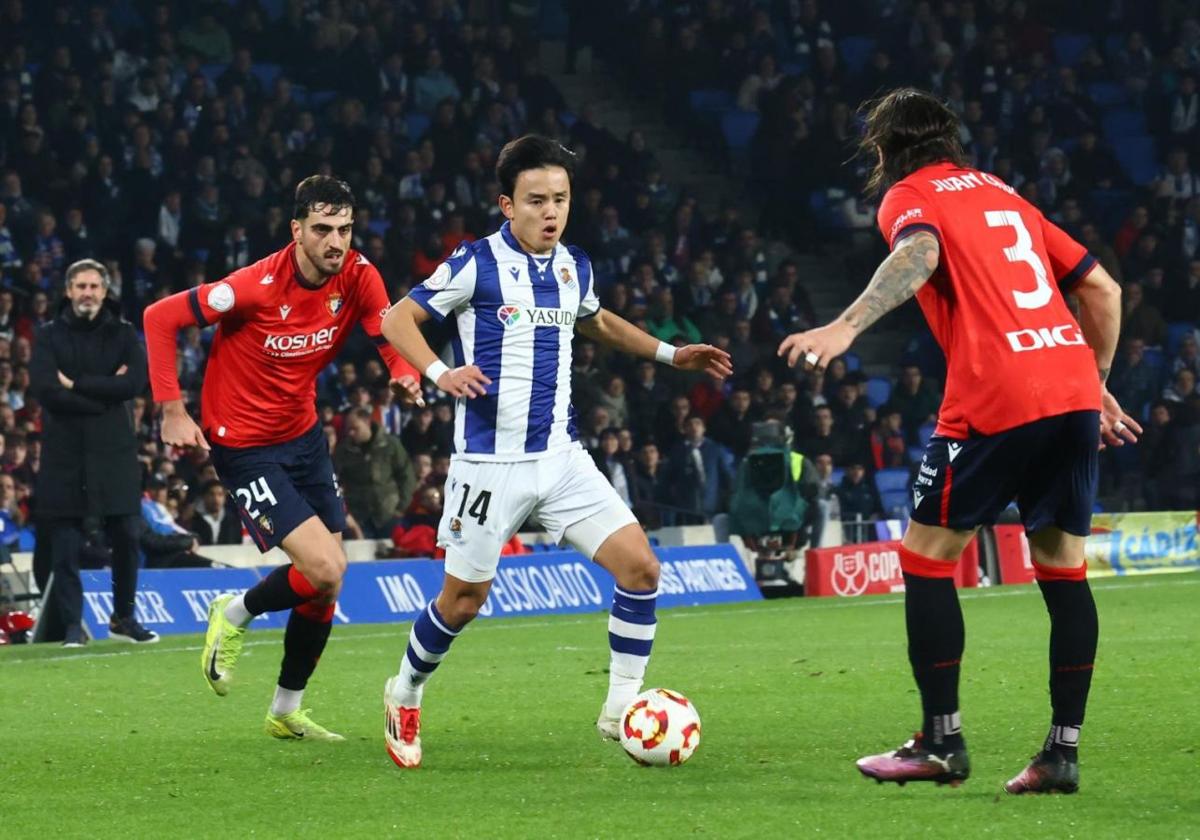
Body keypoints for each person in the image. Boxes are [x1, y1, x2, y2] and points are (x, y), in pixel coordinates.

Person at [778, 89, 1140, 794]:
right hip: (1067, 388)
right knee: (1064, 570)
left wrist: (844, 328)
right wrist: (1088, 382)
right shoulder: (1005, 193)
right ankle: (1061, 753)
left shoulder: (909, 196)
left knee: (926, 557)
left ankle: (941, 741)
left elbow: (919, 252)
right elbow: (1105, 293)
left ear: (882, 152)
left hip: (995, 394)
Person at [379, 135, 732, 768]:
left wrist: (672, 354)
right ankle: (404, 690)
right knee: (462, 602)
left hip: (562, 459)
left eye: (561, 200)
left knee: (642, 569)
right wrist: (440, 374)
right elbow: (395, 320)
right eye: (537, 200)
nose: (551, 212)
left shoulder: (575, 266)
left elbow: (596, 320)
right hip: (489, 465)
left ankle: (621, 708)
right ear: (506, 204)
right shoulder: (474, 264)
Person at [143, 176, 422, 741]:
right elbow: (158, 317)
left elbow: (387, 329)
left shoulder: (359, 275)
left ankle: (285, 709)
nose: (335, 242)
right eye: (322, 229)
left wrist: (403, 370)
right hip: (244, 445)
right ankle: (236, 611)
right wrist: (172, 410)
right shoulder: (251, 287)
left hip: (303, 437)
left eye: (344, 229)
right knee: (324, 568)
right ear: (296, 231)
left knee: (328, 583)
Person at [30, 259, 158, 646]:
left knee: (127, 535)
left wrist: (79, 385)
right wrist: (103, 395)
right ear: (68, 291)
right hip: (65, 453)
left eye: (94, 286)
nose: (87, 293)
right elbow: (46, 390)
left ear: (105, 291)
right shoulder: (48, 335)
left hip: (114, 452)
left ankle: (124, 619)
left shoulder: (123, 334)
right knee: (65, 541)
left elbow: (135, 383)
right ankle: (73, 626)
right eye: (80, 286)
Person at [333, 406, 417, 538]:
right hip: (359, 517)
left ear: (367, 422)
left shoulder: (390, 444)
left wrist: (401, 508)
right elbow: (335, 479)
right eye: (348, 429)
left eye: (355, 428)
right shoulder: (344, 451)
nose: (351, 433)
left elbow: (406, 475)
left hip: (388, 513)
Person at [190, 479, 242, 546]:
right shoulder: (193, 519)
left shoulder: (233, 520)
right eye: (211, 494)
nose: (216, 499)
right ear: (204, 496)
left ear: (225, 497)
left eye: (220, 494)